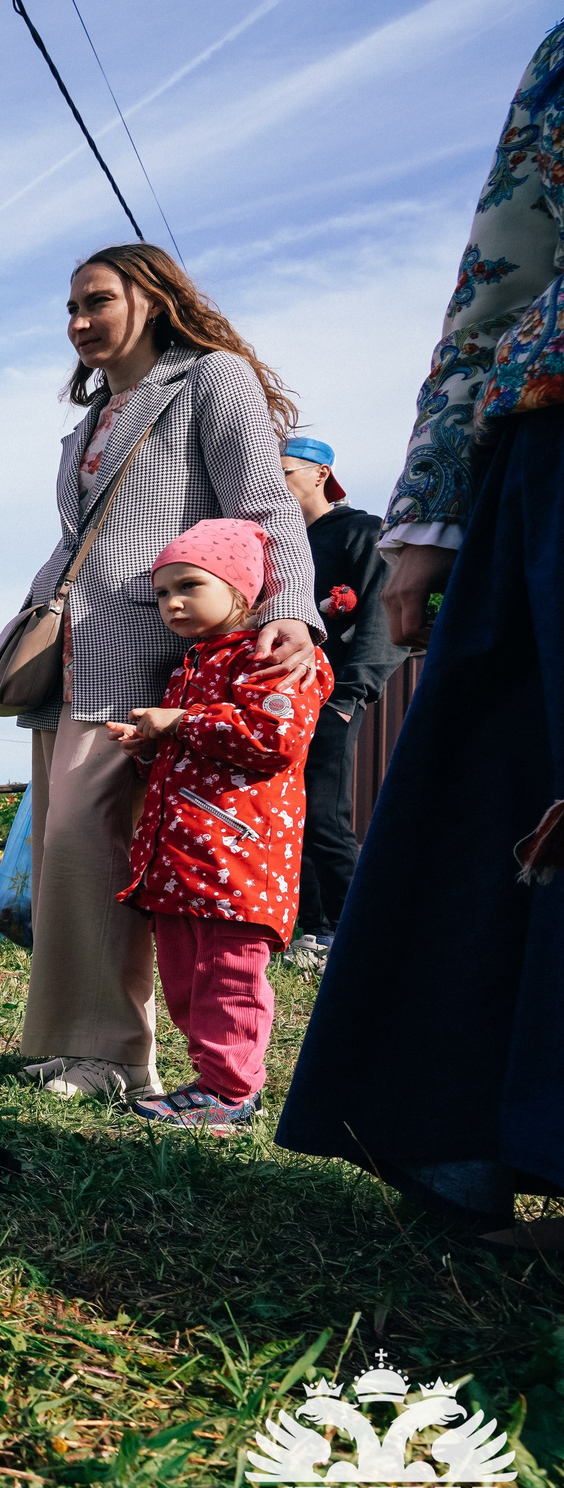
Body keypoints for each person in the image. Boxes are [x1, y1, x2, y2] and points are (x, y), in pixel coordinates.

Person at [280, 21, 564, 1240]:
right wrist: (436, 502)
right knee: (502, 781)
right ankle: (453, 1128)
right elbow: (512, 245)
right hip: (554, 426)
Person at [10, 243, 326, 1102]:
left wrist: (291, 610)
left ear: (152, 298)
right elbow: (82, 543)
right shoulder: (89, 424)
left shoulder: (208, 379)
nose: (79, 324)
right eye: (70, 310)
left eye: (97, 302)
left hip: (161, 664)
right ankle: (79, 1041)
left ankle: (113, 1054)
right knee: (67, 854)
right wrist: (32, 616)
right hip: (75, 656)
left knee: (85, 842)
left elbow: (263, 506)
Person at [105, 520, 332, 1131]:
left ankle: (233, 1091)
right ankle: (210, 1080)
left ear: (241, 590)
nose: (171, 603)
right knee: (184, 980)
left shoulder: (272, 656)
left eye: (188, 586)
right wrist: (149, 748)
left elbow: (274, 738)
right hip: (183, 861)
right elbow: (197, 751)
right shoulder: (191, 665)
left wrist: (177, 723)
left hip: (240, 857)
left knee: (229, 976)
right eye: (160, 593)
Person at [275, 436, 397, 968]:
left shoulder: (359, 533)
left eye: (282, 471)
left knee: (324, 813)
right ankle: (313, 930)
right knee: (291, 814)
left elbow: (382, 616)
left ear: (321, 473)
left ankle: (356, 934)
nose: (270, 481)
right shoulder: (280, 546)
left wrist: (351, 693)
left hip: (334, 695)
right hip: (281, 698)